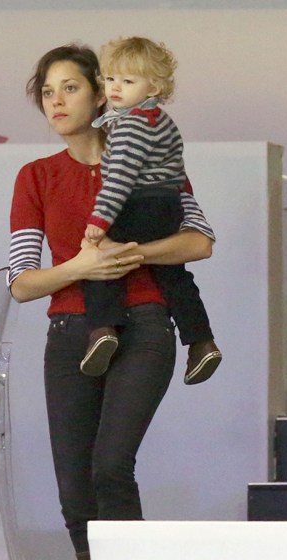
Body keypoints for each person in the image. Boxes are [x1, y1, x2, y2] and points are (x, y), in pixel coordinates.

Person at [8, 43, 215, 560]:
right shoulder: (36, 176)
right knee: (75, 495)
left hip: (144, 323)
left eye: (70, 88)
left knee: (110, 467)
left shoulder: (148, 155)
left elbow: (199, 241)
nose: (56, 101)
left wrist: (132, 253)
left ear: (102, 94)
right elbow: (22, 282)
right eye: (47, 92)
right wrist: (81, 266)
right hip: (68, 334)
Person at [80, 36, 222, 384]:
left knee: (102, 259)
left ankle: (103, 329)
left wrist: (100, 220)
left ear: (154, 88)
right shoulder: (159, 120)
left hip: (140, 203)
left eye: (128, 81)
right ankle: (201, 342)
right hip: (166, 206)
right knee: (173, 275)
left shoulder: (132, 125)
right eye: (110, 78)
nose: (115, 88)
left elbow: (119, 179)